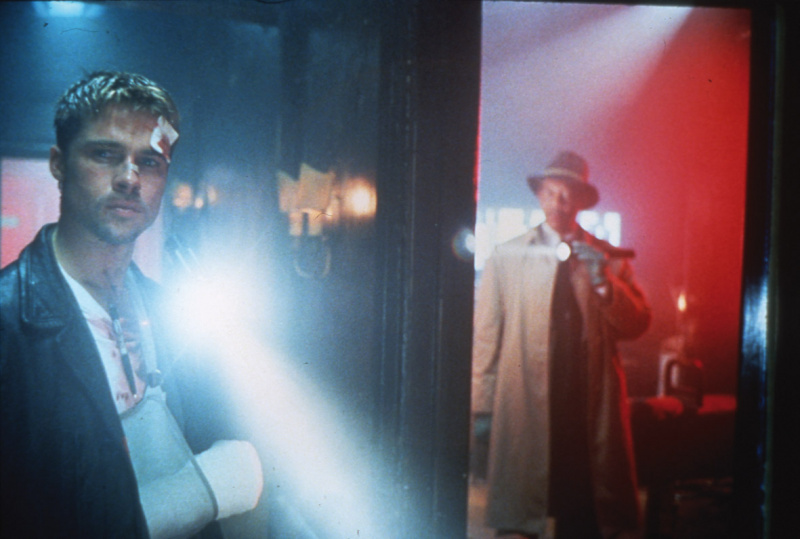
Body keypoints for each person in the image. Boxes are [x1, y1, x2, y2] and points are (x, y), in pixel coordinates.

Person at [1, 71, 263, 538]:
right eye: (105, 154)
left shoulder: (175, 317)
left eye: (149, 162)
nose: (129, 178)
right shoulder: (8, 323)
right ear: (59, 163)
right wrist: (197, 493)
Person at [472, 150, 651, 538]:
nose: (558, 202)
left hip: (585, 406)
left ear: (582, 201)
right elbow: (486, 337)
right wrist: (482, 407)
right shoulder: (507, 257)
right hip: (525, 401)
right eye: (550, 193)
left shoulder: (609, 258)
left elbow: (638, 323)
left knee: (585, 508)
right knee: (520, 510)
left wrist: (603, 281)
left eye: (567, 194)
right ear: (539, 196)